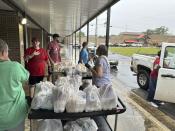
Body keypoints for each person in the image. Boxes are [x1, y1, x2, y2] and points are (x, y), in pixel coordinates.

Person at [0, 39, 29, 131]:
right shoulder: (14, 66)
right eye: (7, 51)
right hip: (14, 116)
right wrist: (8, 61)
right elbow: (26, 77)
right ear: (3, 52)